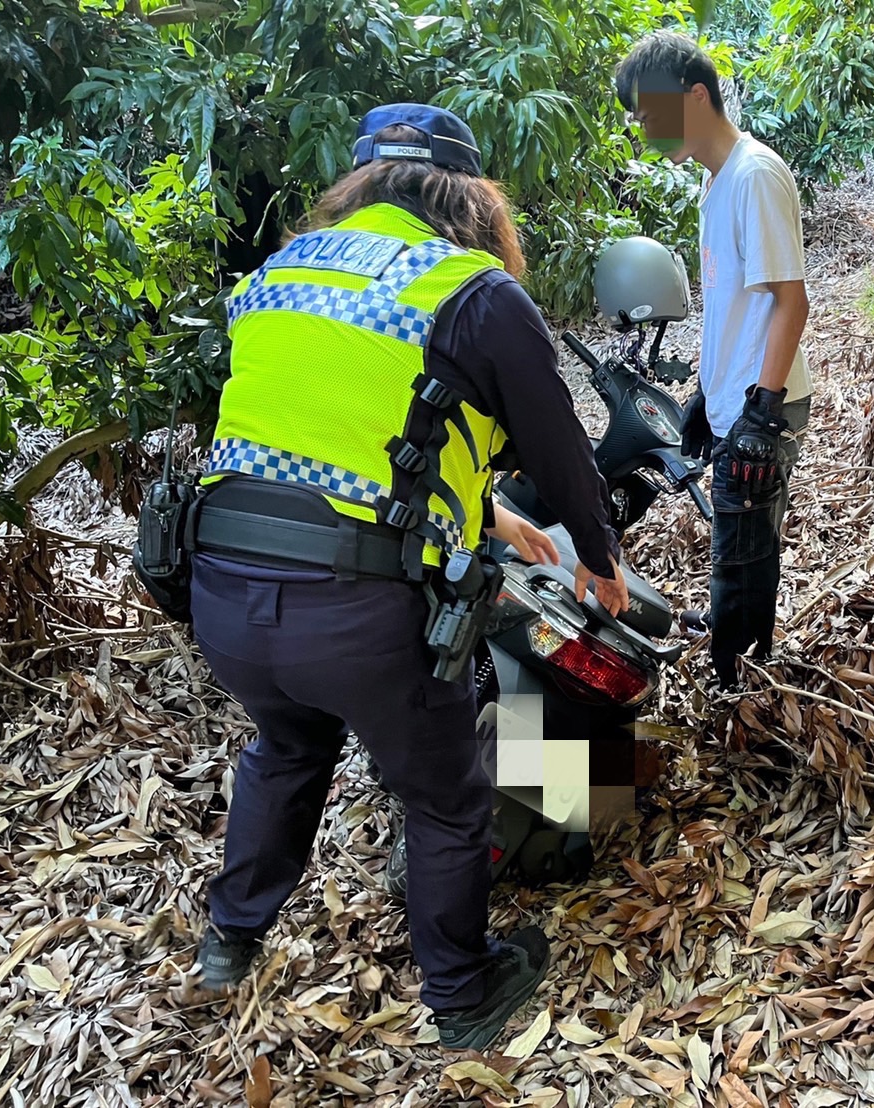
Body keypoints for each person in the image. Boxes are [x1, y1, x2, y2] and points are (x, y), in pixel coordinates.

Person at [185, 102, 628, 1052]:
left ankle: (231, 937)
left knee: (285, 746)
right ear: (469, 197)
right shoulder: (470, 289)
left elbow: (341, 433)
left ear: (358, 185)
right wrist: (601, 559)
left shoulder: (277, 273)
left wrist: (489, 515)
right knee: (445, 795)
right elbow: (556, 446)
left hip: (223, 592)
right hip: (356, 613)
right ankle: (464, 993)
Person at [614, 31, 813, 689]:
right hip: (741, 393)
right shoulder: (715, 182)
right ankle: (746, 633)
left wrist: (760, 410)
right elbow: (736, 306)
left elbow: (792, 301)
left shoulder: (753, 176)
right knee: (748, 537)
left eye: (648, 113)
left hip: (768, 399)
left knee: (740, 546)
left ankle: (738, 676)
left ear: (694, 96)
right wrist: (707, 392)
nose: (643, 131)